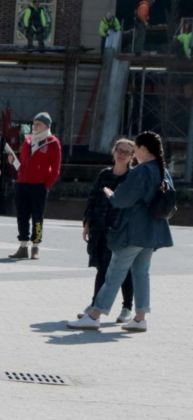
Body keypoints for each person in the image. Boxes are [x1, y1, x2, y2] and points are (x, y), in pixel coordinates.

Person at [68, 131, 173, 333]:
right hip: (153, 230)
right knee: (141, 273)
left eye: (134, 148)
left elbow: (121, 200)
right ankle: (140, 318)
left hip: (134, 229)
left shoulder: (142, 171)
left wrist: (110, 193)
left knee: (115, 272)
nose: (133, 152)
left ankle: (94, 315)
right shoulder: (162, 170)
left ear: (142, 149)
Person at [78, 138, 136, 322]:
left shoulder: (133, 177)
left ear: (132, 156)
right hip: (101, 228)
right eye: (120, 150)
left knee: (124, 269)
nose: (122, 154)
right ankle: (95, 305)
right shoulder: (104, 174)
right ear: (114, 151)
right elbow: (92, 198)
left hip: (122, 230)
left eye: (127, 152)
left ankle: (127, 308)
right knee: (102, 268)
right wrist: (87, 223)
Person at [7, 112, 61, 260]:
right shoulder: (28, 140)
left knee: (37, 217)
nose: (35, 126)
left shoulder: (52, 142)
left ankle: (36, 246)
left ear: (46, 126)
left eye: (39, 124)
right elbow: (24, 163)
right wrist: (13, 162)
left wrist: (46, 186)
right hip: (22, 183)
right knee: (22, 215)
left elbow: (55, 168)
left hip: (39, 185)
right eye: (34, 123)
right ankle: (23, 246)